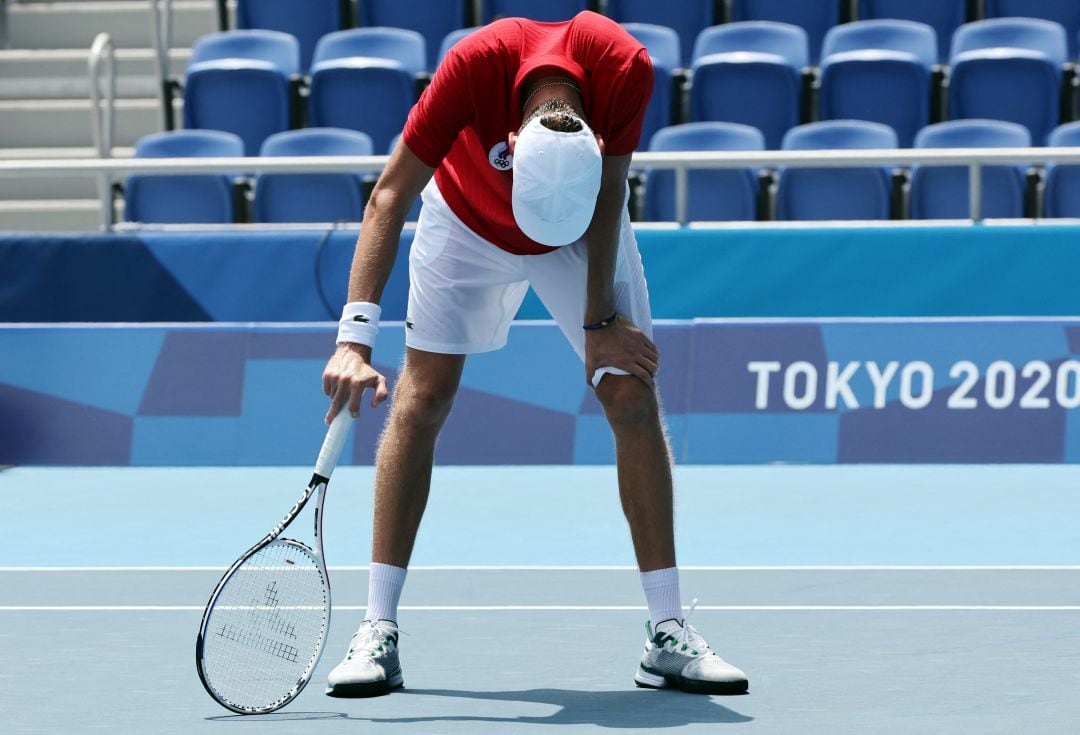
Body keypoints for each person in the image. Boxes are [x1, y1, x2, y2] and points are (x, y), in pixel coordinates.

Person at [320, 10, 748, 697]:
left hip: (576, 231)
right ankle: (378, 629)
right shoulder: (473, 64)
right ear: (510, 141)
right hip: (465, 218)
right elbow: (389, 193)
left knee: (629, 389)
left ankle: (667, 631)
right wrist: (353, 338)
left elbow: (609, 194)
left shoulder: (625, 67)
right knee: (422, 399)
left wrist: (601, 321)